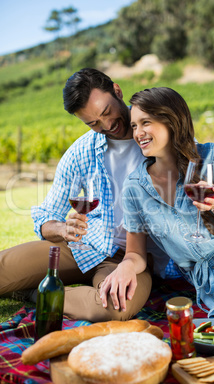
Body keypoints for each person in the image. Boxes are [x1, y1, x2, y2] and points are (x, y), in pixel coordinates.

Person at [0, 69, 175, 322]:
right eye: (92, 123)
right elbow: (47, 214)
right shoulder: (82, 151)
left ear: (117, 91)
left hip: (130, 261)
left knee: (113, 307)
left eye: (106, 112)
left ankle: (37, 292)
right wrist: (62, 229)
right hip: (82, 246)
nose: (106, 125)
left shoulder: (158, 139)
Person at [100, 86, 214, 332]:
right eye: (134, 125)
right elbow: (135, 254)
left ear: (172, 121)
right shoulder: (135, 188)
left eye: (146, 122)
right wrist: (126, 265)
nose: (138, 133)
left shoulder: (212, 157)